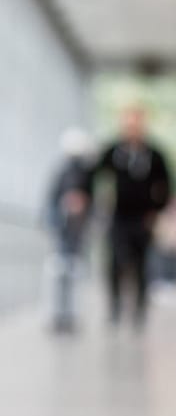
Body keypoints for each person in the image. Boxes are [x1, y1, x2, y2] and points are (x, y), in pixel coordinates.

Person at [93, 106, 172, 326]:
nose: (132, 128)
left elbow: (166, 185)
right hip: (119, 217)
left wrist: (157, 210)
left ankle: (139, 309)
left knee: (142, 264)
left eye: (136, 124)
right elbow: (95, 175)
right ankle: (115, 306)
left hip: (143, 219)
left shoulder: (154, 155)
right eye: (128, 124)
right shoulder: (114, 152)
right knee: (116, 261)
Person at [43, 127, 95, 333]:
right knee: (61, 273)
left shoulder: (81, 174)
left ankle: (67, 316)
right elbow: (53, 203)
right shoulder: (66, 172)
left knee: (70, 273)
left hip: (74, 236)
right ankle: (60, 315)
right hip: (65, 235)